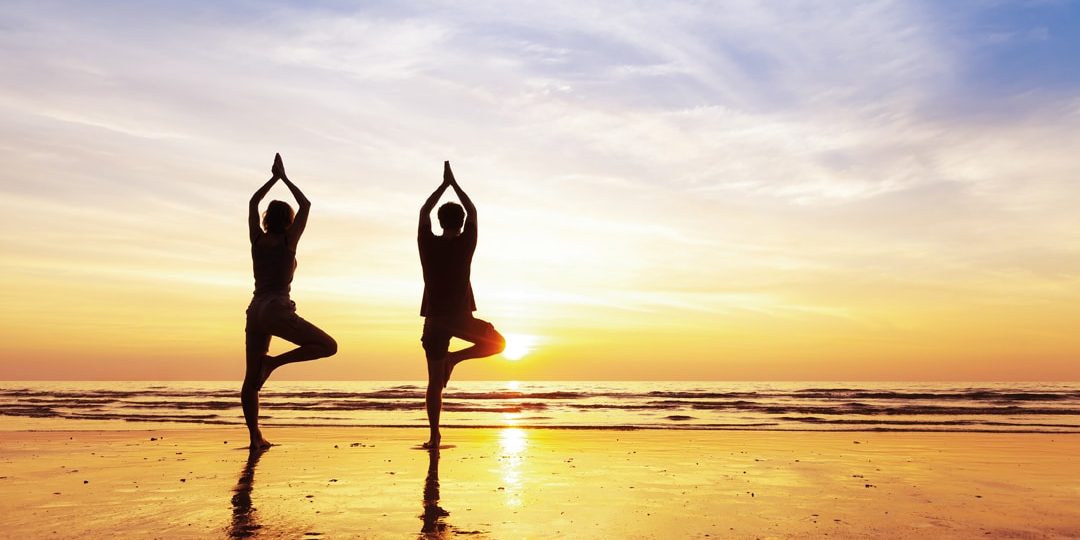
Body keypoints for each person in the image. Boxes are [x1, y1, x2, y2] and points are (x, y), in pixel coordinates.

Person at [243, 153, 337, 450]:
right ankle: (274, 363)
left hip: (255, 309)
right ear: (289, 221)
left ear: (267, 220)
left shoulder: (257, 239)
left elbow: (252, 204)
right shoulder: (288, 242)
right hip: (276, 308)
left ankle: (255, 437)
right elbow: (306, 204)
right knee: (328, 346)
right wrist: (284, 178)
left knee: (250, 379)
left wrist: (272, 180)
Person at [418, 161, 505, 448]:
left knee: (433, 383)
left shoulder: (427, 243)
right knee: (498, 344)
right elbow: (474, 212)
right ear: (460, 223)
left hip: (434, 322)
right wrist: (454, 184)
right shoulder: (465, 243)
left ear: (441, 222)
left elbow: (423, 212)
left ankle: (434, 436)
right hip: (459, 318)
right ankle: (455, 359)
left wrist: (441, 186)